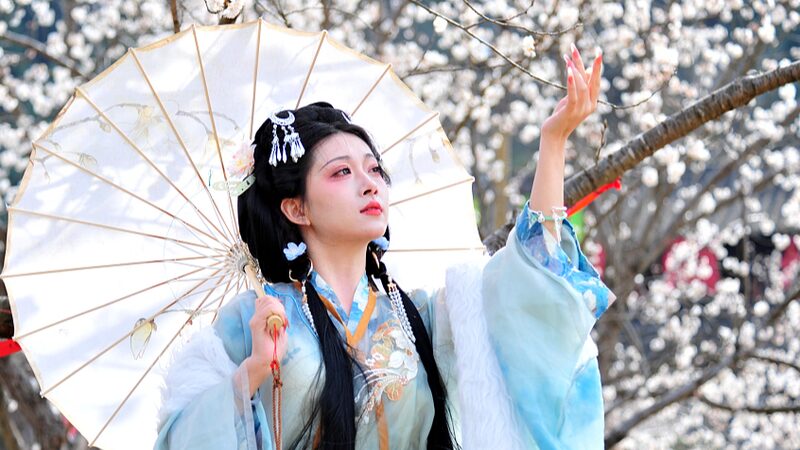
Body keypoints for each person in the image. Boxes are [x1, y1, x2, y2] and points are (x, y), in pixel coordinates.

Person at [154, 45, 614, 450]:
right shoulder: (255, 319)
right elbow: (181, 440)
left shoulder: (421, 318)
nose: (370, 184)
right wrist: (253, 371)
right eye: (341, 173)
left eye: (374, 170)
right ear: (297, 209)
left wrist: (553, 143)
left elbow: (524, 294)